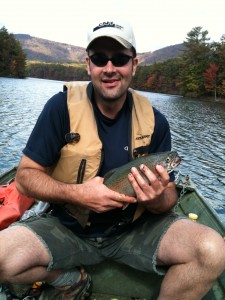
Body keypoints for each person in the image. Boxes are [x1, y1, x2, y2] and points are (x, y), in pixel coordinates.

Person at [1, 18, 225, 300]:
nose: (109, 68)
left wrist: (156, 198)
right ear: (88, 64)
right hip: (66, 227)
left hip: (133, 229)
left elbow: (168, 198)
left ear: (134, 64)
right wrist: (78, 194)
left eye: (119, 58)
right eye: (99, 59)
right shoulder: (60, 108)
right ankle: (68, 278)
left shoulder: (157, 122)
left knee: (212, 250)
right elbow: (24, 177)